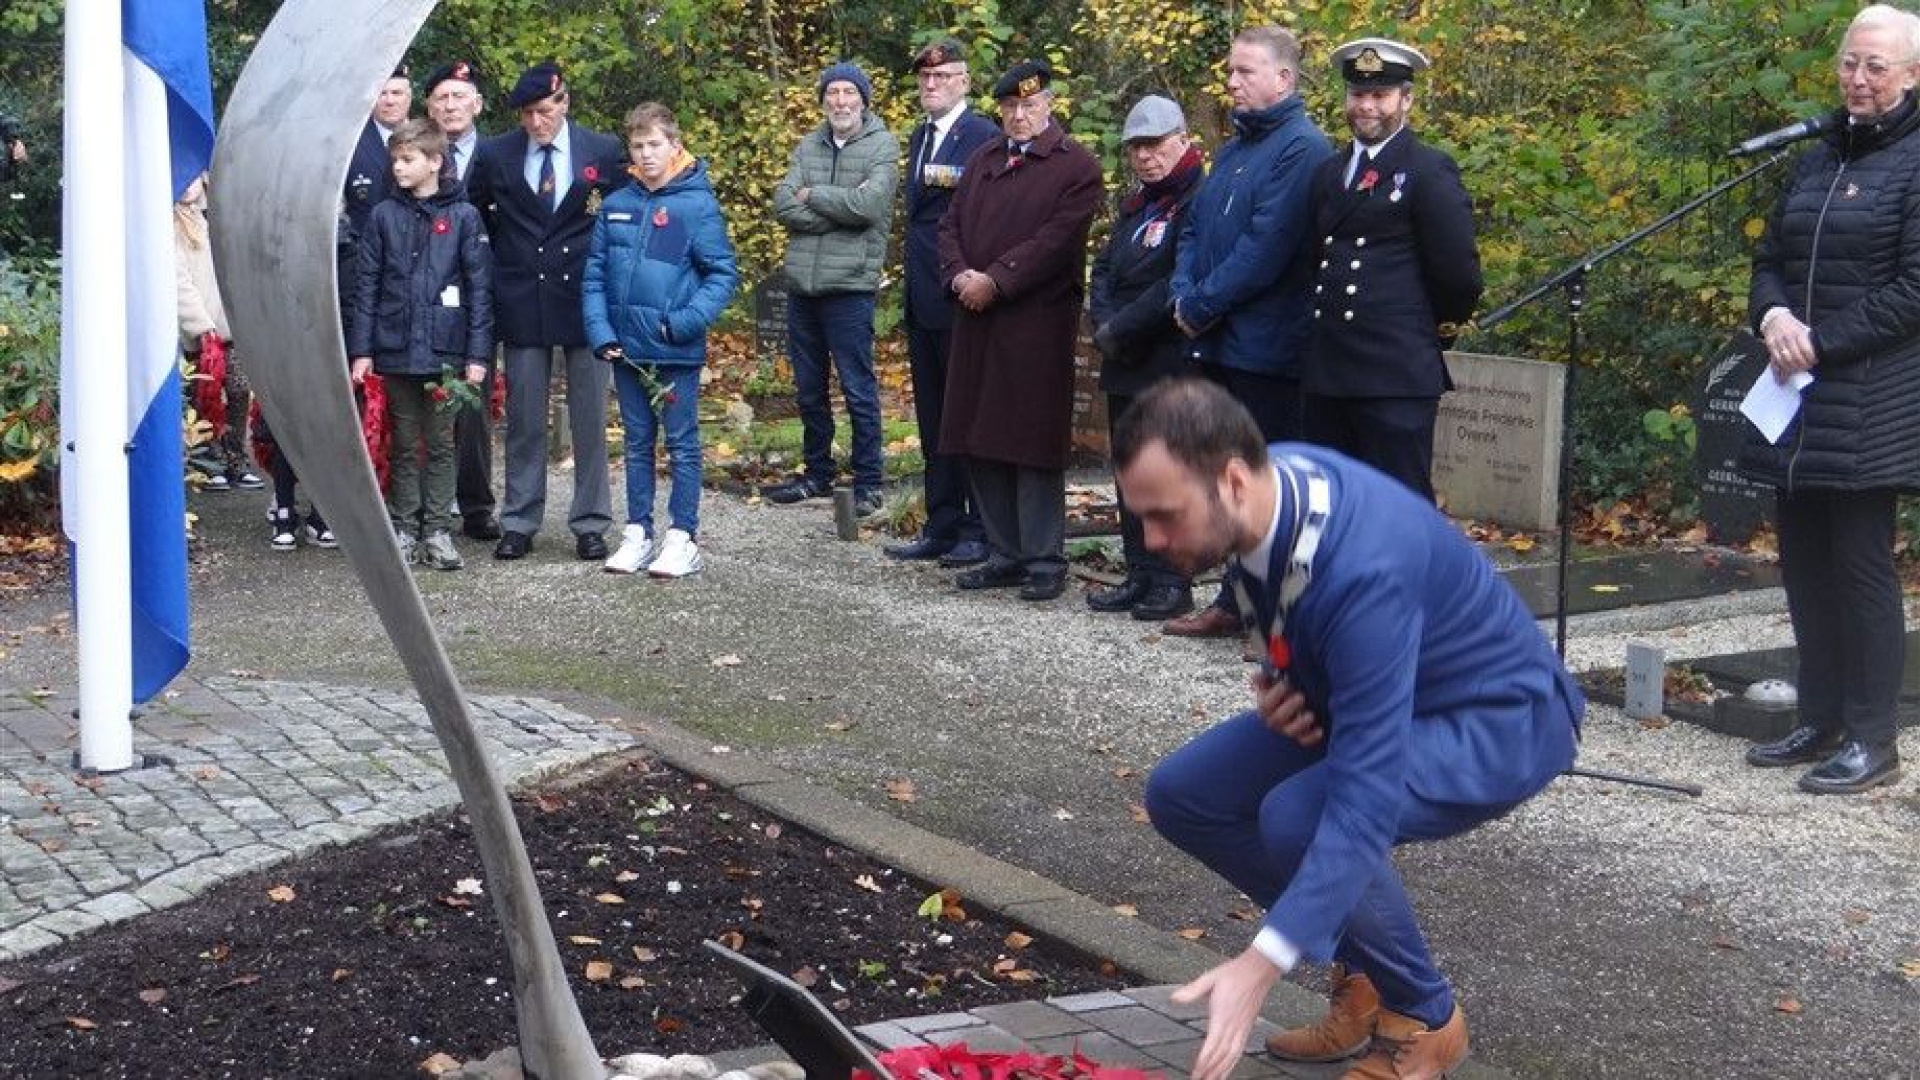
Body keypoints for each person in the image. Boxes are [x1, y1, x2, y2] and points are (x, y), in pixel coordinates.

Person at [1117, 378, 1582, 1080]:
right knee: (1185, 795)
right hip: (1369, 697)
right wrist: (1283, 681)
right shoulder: (1270, 492)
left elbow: (1363, 798)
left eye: (1165, 516)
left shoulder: (1366, 567)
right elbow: (1277, 608)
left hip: (1496, 720)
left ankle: (1424, 1015)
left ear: (1233, 479)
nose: (1152, 540)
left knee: (1301, 816)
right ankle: (1366, 974)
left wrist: (1262, 962)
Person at [1739, 3, 1918, 795]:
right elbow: (1770, 257)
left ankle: (1874, 738)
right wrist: (1774, 316)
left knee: (1859, 565)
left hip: (1872, 398)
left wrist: (1819, 340)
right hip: (1798, 395)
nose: (1859, 78)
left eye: (1877, 66)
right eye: (1851, 62)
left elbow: (1914, 291)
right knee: (1804, 561)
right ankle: (1820, 718)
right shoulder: (1817, 156)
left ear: (1911, 76)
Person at [1164, 25, 1332, 638]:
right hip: (1219, 341)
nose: (1231, 82)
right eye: (1230, 72)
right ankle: (1236, 601)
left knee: (1272, 484)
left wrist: (1201, 304)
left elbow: (1267, 249)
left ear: (1284, 79)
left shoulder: (1303, 148)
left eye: (1244, 72)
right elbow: (1194, 226)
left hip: (1268, 349)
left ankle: (1279, 618)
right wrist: (1182, 293)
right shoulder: (1235, 148)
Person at [937, 59, 1102, 602]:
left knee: (1031, 442)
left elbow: (1054, 242)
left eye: (1030, 105)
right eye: (1010, 107)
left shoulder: (1075, 166)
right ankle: (1003, 551)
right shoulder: (983, 159)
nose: (1020, 116)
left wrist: (996, 281)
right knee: (980, 434)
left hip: (1035, 324)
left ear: (1049, 104)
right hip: (976, 320)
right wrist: (959, 274)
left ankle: (1043, 559)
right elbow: (949, 225)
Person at [1300, 38, 1482, 503]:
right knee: (1330, 510)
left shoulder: (1428, 170)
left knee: (1398, 511)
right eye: (1358, 95)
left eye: (1380, 96)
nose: (1367, 107)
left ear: (1407, 100)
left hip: (1395, 374)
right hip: (1329, 372)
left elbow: (1458, 275)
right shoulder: (1329, 172)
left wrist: (1431, 332)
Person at [469, 62, 626, 562]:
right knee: (524, 418)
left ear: (564, 102)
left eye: (544, 111)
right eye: (528, 114)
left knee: (588, 417)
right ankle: (520, 520)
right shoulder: (496, 153)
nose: (537, 123)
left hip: (585, 296)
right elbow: (475, 215)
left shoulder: (601, 151)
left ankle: (591, 522)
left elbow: (618, 221)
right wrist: (501, 268)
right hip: (522, 297)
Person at [583, 103, 739, 579]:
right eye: (638, 145)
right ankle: (637, 532)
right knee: (635, 443)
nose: (647, 154)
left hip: (674, 348)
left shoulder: (697, 205)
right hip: (626, 349)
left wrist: (685, 323)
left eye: (655, 144)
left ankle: (682, 537)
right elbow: (593, 278)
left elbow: (721, 274)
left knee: (682, 444)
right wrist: (602, 332)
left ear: (675, 145)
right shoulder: (616, 206)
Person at [348, 119, 494, 571]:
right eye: (394, 160)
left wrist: (476, 355)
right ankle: (404, 527)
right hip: (393, 348)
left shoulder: (465, 217)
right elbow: (366, 286)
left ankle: (437, 530)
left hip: (447, 352)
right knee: (405, 443)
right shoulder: (383, 216)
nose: (398, 168)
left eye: (407, 159)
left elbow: (479, 291)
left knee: (442, 442)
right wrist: (363, 349)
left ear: (435, 162)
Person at [761, 62, 899, 518]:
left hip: (850, 287)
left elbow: (868, 206)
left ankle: (869, 482)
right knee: (808, 388)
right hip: (804, 286)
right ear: (823, 99)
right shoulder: (809, 143)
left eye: (848, 92)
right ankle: (816, 473)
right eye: (832, 93)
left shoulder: (882, 145)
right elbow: (783, 203)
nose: (840, 101)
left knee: (857, 388)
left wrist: (813, 194)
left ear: (863, 99)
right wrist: (836, 205)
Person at [1085, 96, 1203, 622]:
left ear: (1181, 139)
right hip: (1124, 356)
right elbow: (1105, 268)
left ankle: (1172, 581)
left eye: (1155, 145)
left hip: (1166, 357)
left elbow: (1172, 282)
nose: (1145, 156)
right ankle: (1138, 572)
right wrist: (1106, 322)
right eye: (1136, 148)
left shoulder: (1196, 196)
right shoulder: (1138, 204)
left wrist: (1120, 327)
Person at [883, 38, 1001, 567]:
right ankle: (943, 520)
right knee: (933, 418)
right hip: (921, 296)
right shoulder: (920, 136)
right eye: (924, 78)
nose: (930, 85)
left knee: (969, 415)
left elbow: (982, 220)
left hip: (960, 297)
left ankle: (979, 526)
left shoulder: (983, 137)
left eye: (942, 76)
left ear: (964, 82)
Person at [425, 59, 501, 542]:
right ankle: (421, 507)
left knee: (472, 405)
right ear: (429, 107)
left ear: (477, 104)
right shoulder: (413, 153)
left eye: (459, 97)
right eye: (442, 98)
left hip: (479, 296)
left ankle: (476, 505)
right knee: (421, 402)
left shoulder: (501, 155)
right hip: (425, 297)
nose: (451, 105)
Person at [174, 173, 261, 495]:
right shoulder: (172, 226)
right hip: (202, 333)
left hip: (230, 328)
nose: (187, 187)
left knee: (239, 391)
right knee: (204, 398)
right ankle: (208, 461)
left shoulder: (214, 218)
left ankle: (236, 456)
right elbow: (179, 282)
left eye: (193, 179)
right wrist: (201, 325)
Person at [344, 67, 412, 246]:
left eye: (397, 93)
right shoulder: (350, 143)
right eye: (381, 93)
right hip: (364, 254)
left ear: (409, 97)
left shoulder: (427, 140)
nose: (389, 101)